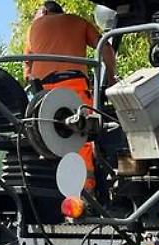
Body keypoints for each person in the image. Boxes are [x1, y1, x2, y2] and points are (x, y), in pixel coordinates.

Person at [24, 1, 116, 188]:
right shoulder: (77, 21)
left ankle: (56, 187)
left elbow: (27, 69)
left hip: (44, 96)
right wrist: (112, 78)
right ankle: (85, 193)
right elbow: (105, 48)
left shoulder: (33, 28)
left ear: (44, 11)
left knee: (48, 138)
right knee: (80, 137)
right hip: (74, 87)